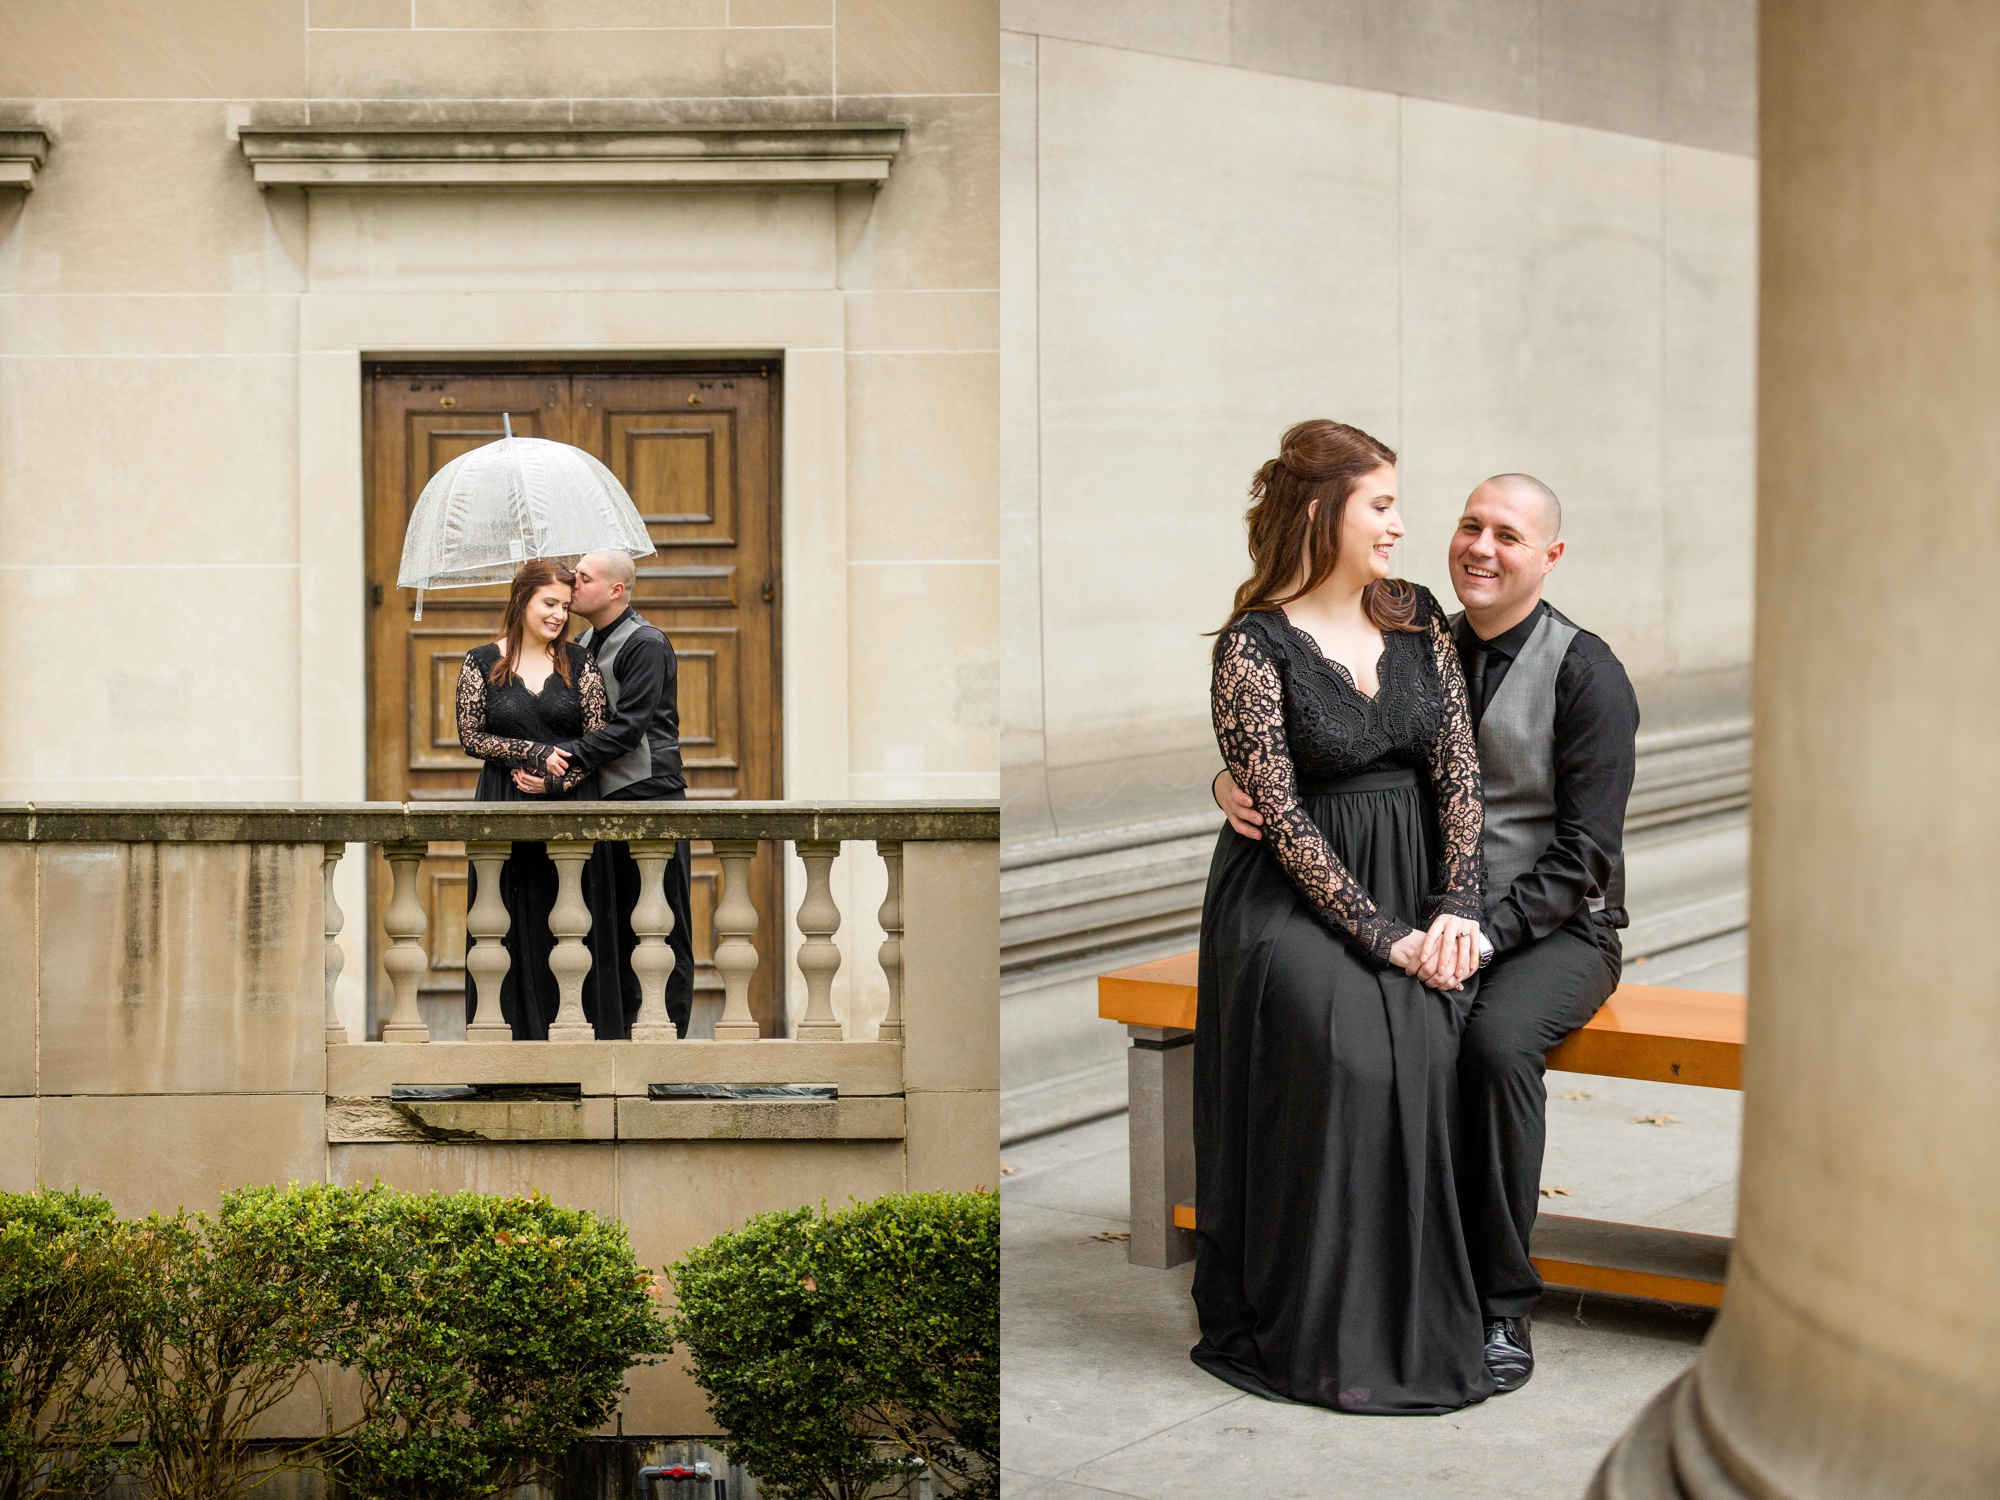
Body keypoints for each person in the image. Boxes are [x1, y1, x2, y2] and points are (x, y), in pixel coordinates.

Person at [1215, 472, 1639, 1394]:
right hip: (1425, 908)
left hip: (1557, 927)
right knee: (1396, 1032)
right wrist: (1229, 782)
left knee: (1487, 1046)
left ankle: (1501, 1305)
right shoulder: (1414, 631)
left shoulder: (1586, 672)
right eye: (1471, 526)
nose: (1481, 547)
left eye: (1510, 536)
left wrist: (1483, 931)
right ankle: (1386, 1278)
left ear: (1550, 556)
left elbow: (1585, 856)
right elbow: (1318, 735)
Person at [1193, 419, 1493, 1415]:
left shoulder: (1411, 615)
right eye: (1381, 504)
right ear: (1322, 513)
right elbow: (1275, 815)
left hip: (1411, 878)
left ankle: (1435, 1313)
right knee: (1353, 1051)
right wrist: (1385, 938)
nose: (1400, 526)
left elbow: (1455, 768)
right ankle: (1323, 1326)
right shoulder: (1251, 646)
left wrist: (1450, 907)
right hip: (1290, 899)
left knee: (1433, 1033)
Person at [520, 551, 695, 1037]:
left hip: (650, 800)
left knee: (662, 926)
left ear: (616, 590)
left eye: (584, 578)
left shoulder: (647, 644)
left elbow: (627, 730)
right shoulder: (579, 642)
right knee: (611, 928)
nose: (573, 585)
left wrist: (560, 764)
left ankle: (667, 1046)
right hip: (598, 801)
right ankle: (617, 1036)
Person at [456, 558, 608, 1040]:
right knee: (502, 919)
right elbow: (470, 735)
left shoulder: (581, 662)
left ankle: (577, 1044)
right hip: (504, 804)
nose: (560, 615)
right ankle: (508, 1045)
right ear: (522, 600)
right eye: (549, 603)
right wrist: (532, 750)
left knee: (570, 920)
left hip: (572, 808)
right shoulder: (480, 662)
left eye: (565, 606)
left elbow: (601, 737)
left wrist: (559, 780)